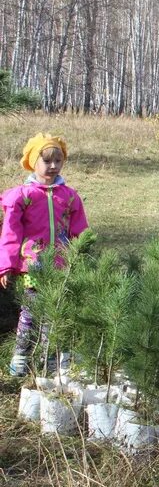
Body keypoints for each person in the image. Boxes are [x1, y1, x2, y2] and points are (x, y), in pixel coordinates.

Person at [1, 134, 89, 376]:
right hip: (33, 265)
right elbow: (11, 232)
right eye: (47, 161)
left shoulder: (69, 196)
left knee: (54, 312)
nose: (53, 166)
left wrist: (81, 256)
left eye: (58, 161)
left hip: (62, 265)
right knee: (30, 313)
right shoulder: (23, 195)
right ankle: (20, 357)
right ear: (33, 162)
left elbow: (80, 230)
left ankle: (49, 360)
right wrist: (7, 265)